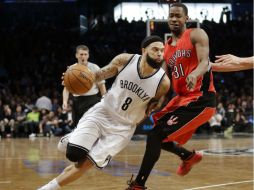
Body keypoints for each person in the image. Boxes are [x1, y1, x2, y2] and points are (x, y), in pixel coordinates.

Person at [38, 35, 170, 190]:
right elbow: (99, 75)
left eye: (162, 50)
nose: (160, 53)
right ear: (143, 50)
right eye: (155, 49)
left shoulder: (163, 83)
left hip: (123, 128)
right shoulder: (125, 60)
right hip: (103, 112)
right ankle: (72, 139)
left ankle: (47, 188)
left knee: (86, 163)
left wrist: (135, 121)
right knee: (73, 154)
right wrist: (73, 79)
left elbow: (152, 107)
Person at [126, 3, 216, 189]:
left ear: (186, 19)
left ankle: (138, 185)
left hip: (201, 98)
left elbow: (205, 62)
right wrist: (154, 101)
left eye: (178, 16)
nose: (174, 19)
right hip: (181, 99)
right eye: (171, 16)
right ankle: (188, 156)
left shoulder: (196, 34)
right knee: (157, 134)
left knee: (155, 136)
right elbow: (164, 81)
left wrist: (194, 74)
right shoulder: (166, 49)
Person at [62, 45, 106, 128]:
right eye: (81, 54)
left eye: (85, 54)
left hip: (92, 101)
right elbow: (66, 89)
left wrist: (105, 101)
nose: (83, 56)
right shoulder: (71, 69)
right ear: (76, 55)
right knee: (77, 128)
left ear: (88, 55)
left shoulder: (95, 68)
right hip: (77, 102)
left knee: (89, 127)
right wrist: (65, 101)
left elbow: (102, 87)